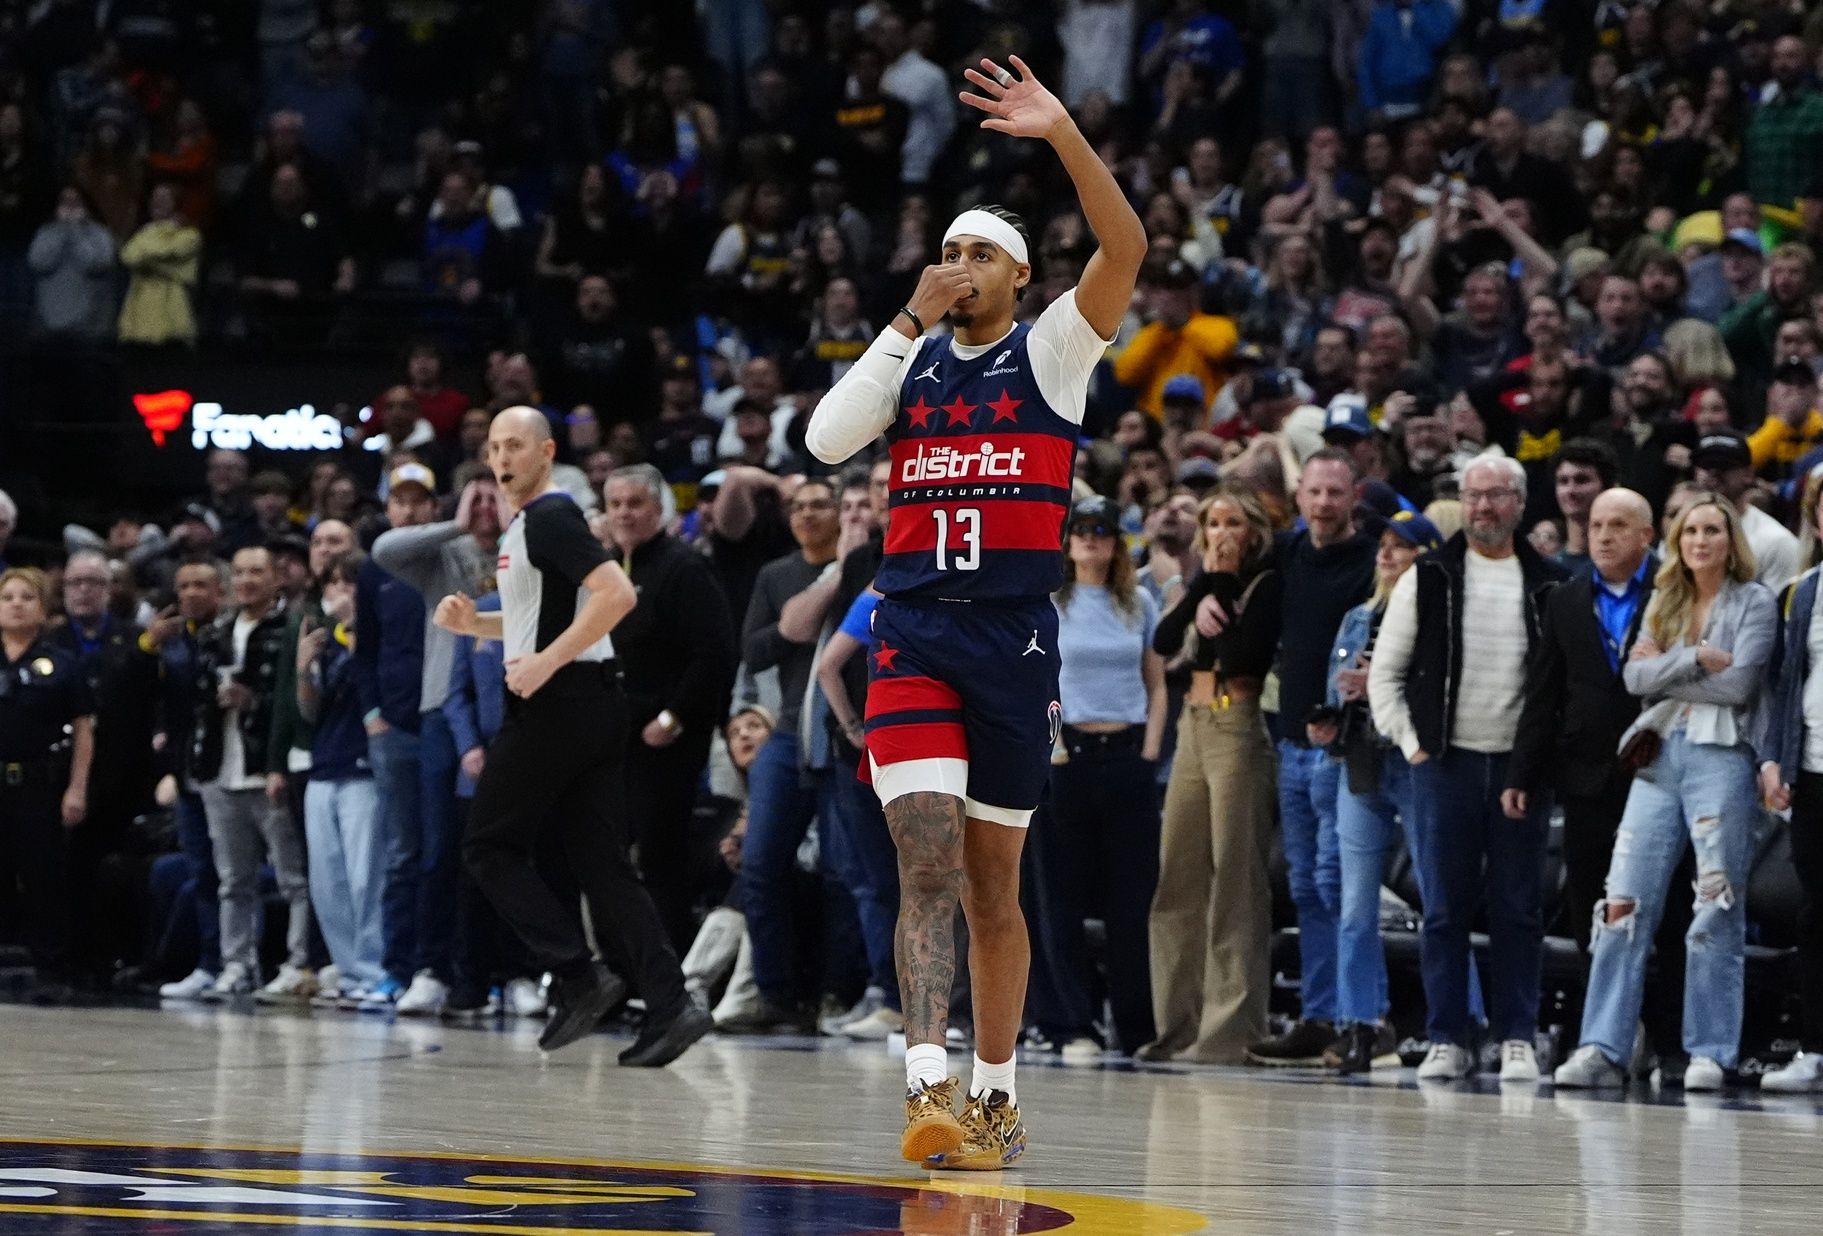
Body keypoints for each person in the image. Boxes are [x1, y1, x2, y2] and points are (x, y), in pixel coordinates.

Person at [804, 54, 1146, 1169]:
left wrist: (1058, 137)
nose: (957, 266)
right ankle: (925, 1085)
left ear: (1018, 274)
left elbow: (1126, 248)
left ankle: (996, 1091)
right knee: (926, 864)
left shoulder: (1049, 350)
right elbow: (822, 442)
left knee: (996, 890)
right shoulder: (907, 360)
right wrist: (904, 318)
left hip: (1012, 643)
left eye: (978, 253)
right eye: (946, 251)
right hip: (911, 635)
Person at [432, 407, 710, 1065]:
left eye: (515, 446)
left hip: (563, 704)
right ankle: (671, 1006)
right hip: (589, 700)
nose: (501, 458)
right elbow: (546, 622)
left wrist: (545, 663)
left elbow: (616, 595)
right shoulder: (527, 525)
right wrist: (479, 627)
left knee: (488, 844)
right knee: (602, 866)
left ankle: (578, 975)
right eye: (494, 446)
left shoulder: (552, 515)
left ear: (547, 453)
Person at [1554, 495, 1775, 1092]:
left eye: (1712, 530)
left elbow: (1739, 686)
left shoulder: (1755, 602)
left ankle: (1710, 1048)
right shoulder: (1666, 597)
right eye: (1691, 531)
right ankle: (1602, 1045)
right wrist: (1697, 656)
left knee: (1715, 906)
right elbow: (1632, 678)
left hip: (1721, 759)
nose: (1700, 540)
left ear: (1731, 541)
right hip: (1657, 758)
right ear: (1676, 541)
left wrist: (1669, 669)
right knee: (1621, 903)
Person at [1366, 455, 1567, 1082]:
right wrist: (1412, 745)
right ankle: (1446, 1035)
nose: (1483, 507)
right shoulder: (1427, 577)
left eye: (1497, 495)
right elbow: (1384, 676)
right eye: (1474, 495)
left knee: (1518, 909)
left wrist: (1537, 764)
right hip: (1444, 765)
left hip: (1519, 768)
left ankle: (1517, 1036)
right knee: (1446, 909)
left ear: (1520, 502)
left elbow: (1560, 686)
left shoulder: (1551, 583)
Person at [1505, 489, 1689, 1073]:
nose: (1603, 535)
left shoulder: (1677, 591)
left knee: (1672, 912)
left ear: (1646, 535)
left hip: (1664, 771)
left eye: (1618, 525)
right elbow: (1545, 690)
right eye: (1596, 524)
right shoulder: (1563, 597)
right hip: (1585, 775)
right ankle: (1603, 1040)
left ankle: (1671, 1043)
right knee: (1595, 912)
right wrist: (1523, 772)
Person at [1140, 487, 1282, 1066]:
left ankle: (1229, 1032)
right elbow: (1164, 641)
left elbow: (1246, 653)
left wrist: (1219, 582)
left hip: (1238, 725)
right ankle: (1176, 1026)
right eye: (1213, 522)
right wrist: (1202, 588)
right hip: (1192, 729)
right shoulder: (1205, 585)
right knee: (1177, 874)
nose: (1222, 533)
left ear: (1254, 531)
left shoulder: (1266, 583)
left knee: (1236, 879)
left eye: (1233, 523)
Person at [1246, 448, 1376, 1066]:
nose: (1323, 504)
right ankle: (1321, 1015)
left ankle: (1359, 1017)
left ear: (1356, 496)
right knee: (1305, 884)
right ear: (1299, 497)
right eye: (1314, 492)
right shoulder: (1288, 552)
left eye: (1335, 493)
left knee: (1337, 882)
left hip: (1344, 746)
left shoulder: (1376, 560)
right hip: (1290, 741)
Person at [1026, 496, 1163, 1059]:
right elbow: (1034, 678)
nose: (1090, 539)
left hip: (1127, 752)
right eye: (1079, 529)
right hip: (1067, 756)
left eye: (1101, 530)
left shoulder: (1139, 604)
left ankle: (1135, 1027)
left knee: (1131, 901)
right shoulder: (1049, 602)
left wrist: (1151, 750)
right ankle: (1070, 1023)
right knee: (1058, 898)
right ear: (1065, 539)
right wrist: (1048, 744)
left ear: (1116, 541)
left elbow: (1156, 682)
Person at [1311, 510, 1444, 1073]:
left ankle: (1459, 1022)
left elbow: (1444, 694)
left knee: (1442, 900)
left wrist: (1388, 683)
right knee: (1354, 905)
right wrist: (1330, 719)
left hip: (1415, 764)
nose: (1387, 555)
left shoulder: (1438, 619)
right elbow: (1332, 691)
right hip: (1361, 763)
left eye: (1403, 547)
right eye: (1384, 546)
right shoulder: (1355, 619)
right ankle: (1362, 1023)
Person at [369, 474, 502, 1016]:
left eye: (495, 494)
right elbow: (383, 549)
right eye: (477, 495)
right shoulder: (444, 554)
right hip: (440, 713)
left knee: (496, 851)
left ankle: (496, 972)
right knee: (437, 847)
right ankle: (430, 969)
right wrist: (457, 522)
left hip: (504, 708)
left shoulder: (523, 549)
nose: (486, 505)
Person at [602, 464, 737, 952]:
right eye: (615, 504)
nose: (624, 514)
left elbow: (714, 651)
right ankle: (623, 975)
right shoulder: (607, 567)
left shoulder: (683, 567)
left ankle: (668, 978)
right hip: (614, 737)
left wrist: (673, 716)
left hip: (665, 737)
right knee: (611, 859)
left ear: (659, 510)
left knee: (660, 860)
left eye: (635, 504)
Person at [193, 545, 312, 1002]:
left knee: (292, 877)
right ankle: (236, 964)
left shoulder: (289, 628)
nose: (246, 580)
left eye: (256, 572)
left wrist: (253, 704)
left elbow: (289, 701)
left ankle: (297, 963)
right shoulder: (216, 631)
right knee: (233, 880)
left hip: (266, 768)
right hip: (219, 768)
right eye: (239, 572)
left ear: (275, 577)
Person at [353, 465, 437, 1009]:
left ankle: (441, 965)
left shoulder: (449, 559)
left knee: (444, 849)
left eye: (418, 502)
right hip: (395, 727)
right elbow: (366, 650)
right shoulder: (374, 570)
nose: (408, 511)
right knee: (403, 852)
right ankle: (396, 968)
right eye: (399, 502)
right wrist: (372, 713)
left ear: (434, 507)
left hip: (444, 721)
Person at [0, 567, 95, 1001]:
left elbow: (83, 730)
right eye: (8, 597)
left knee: (43, 876)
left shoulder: (61, 662)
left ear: (43, 609)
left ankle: (51, 969)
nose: (16, 604)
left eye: (26, 597)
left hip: (38, 782)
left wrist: (76, 789)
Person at [294, 553, 385, 1004]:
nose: (339, 594)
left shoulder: (377, 634)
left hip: (363, 768)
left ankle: (376, 968)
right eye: (332, 585)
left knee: (365, 877)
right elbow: (309, 711)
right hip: (324, 764)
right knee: (326, 880)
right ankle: (349, 972)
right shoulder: (322, 642)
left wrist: (354, 637)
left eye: (349, 584)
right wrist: (303, 667)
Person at [1758, 485, 1823, 1093]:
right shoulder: (1803, 592)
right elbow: (1784, 687)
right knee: (1815, 914)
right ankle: (1814, 1049)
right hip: (1815, 770)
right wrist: (1776, 760)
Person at [1690, 429, 1799, 592]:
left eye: (1722, 466)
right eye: (1705, 466)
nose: (1712, 473)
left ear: (1749, 473)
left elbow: (1780, 611)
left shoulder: (1775, 541)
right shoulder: (1682, 533)